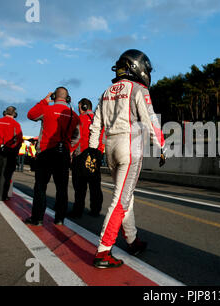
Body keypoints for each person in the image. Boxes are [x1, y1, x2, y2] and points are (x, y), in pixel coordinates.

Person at [88, 49, 166, 268]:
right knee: (120, 201)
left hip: (109, 146)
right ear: (137, 67)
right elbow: (150, 120)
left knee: (126, 196)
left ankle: (132, 241)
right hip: (129, 146)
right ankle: (103, 251)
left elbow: (95, 126)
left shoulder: (106, 91)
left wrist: (93, 151)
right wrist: (162, 147)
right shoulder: (138, 89)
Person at [24, 87, 80, 226]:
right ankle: (60, 218)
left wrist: (44, 100)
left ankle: (37, 218)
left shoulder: (47, 109)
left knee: (40, 187)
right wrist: (69, 149)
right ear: (68, 99)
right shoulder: (74, 115)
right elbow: (77, 137)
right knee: (62, 188)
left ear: (54, 96)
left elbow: (31, 115)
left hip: (46, 153)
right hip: (63, 154)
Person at [70, 98, 105, 218]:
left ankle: (78, 210)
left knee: (80, 186)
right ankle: (95, 210)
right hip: (96, 156)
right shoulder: (100, 120)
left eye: (79, 107)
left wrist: (70, 152)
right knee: (95, 185)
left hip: (81, 155)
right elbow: (104, 138)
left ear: (82, 107)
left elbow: (76, 138)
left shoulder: (80, 119)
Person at [0, 106, 23, 201]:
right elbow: (19, 140)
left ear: (4, 112)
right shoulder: (16, 124)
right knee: (5, 174)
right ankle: (2, 196)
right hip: (10, 151)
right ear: (14, 114)